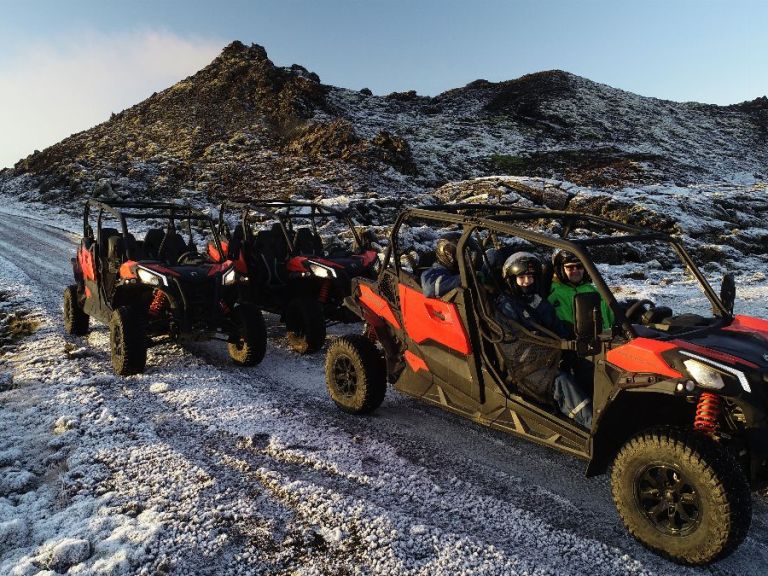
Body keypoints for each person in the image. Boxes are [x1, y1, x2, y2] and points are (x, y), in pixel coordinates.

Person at [495, 252, 592, 429]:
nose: (527, 282)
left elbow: (558, 328)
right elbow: (514, 343)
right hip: (525, 366)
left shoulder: (539, 301)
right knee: (563, 381)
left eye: (531, 277)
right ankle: (591, 425)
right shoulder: (506, 306)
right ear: (511, 280)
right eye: (522, 278)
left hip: (549, 356)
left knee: (586, 365)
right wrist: (549, 346)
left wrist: (570, 344)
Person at [548, 250, 614, 336]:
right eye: (570, 267)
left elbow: (611, 315)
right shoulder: (554, 294)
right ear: (561, 270)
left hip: (605, 340)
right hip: (573, 343)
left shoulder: (595, 290)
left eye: (579, 267)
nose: (575, 271)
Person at [421, 232, 463, 298]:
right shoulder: (433, 272)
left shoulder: (457, 269)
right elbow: (429, 289)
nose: (463, 257)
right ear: (447, 254)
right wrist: (463, 278)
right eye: (459, 255)